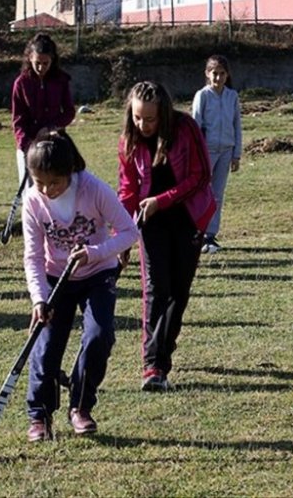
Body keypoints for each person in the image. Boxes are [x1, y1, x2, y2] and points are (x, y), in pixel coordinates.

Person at [21, 129, 138, 442]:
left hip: (97, 273)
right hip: (53, 278)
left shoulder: (94, 189)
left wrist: (94, 253)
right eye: (39, 181)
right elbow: (32, 256)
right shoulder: (33, 200)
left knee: (100, 336)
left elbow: (129, 232)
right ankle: (39, 415)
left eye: (54, 183)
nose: (46, 189)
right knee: (45, 347)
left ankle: (81, 405)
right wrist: (38, 299)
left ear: (70, 171)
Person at [117, 81, 216, 392]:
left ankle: (163, 349)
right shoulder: (128, 141)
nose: (143, 125)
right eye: (137, 118)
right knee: (155, 289)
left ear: (164, 114)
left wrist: (163, 200)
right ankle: (154, 366)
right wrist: (121, 235)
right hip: (151, 222)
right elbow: (128, 190)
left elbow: (201, 176)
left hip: (188, 216)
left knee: (178, 292)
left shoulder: (185, 128)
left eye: (150, 119)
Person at [192, 54, 242, 254]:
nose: (218, 78)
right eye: (215, 73)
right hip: (207, 151)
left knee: (217, 195)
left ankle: (210, 234)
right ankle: (197, 232)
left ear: (227, 75)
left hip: (226, 150)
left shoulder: (232, 96)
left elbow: (236, 124)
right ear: (207, 74)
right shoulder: (202, 96)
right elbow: (195, 125)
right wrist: (196, 154)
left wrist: (236, 153)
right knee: (202, 193)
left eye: (222, 74)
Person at [11, 33, 75, 184]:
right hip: (29, 147)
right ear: (30, 59)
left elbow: (69, 112)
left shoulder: (61, 80)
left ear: (52, 60)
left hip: (56, 144)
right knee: (31, 193)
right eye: (37, 63)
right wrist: (26, 146)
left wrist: (50, 128)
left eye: (45, 63)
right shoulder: (21, 83)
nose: (41, 68)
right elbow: (18, 120)